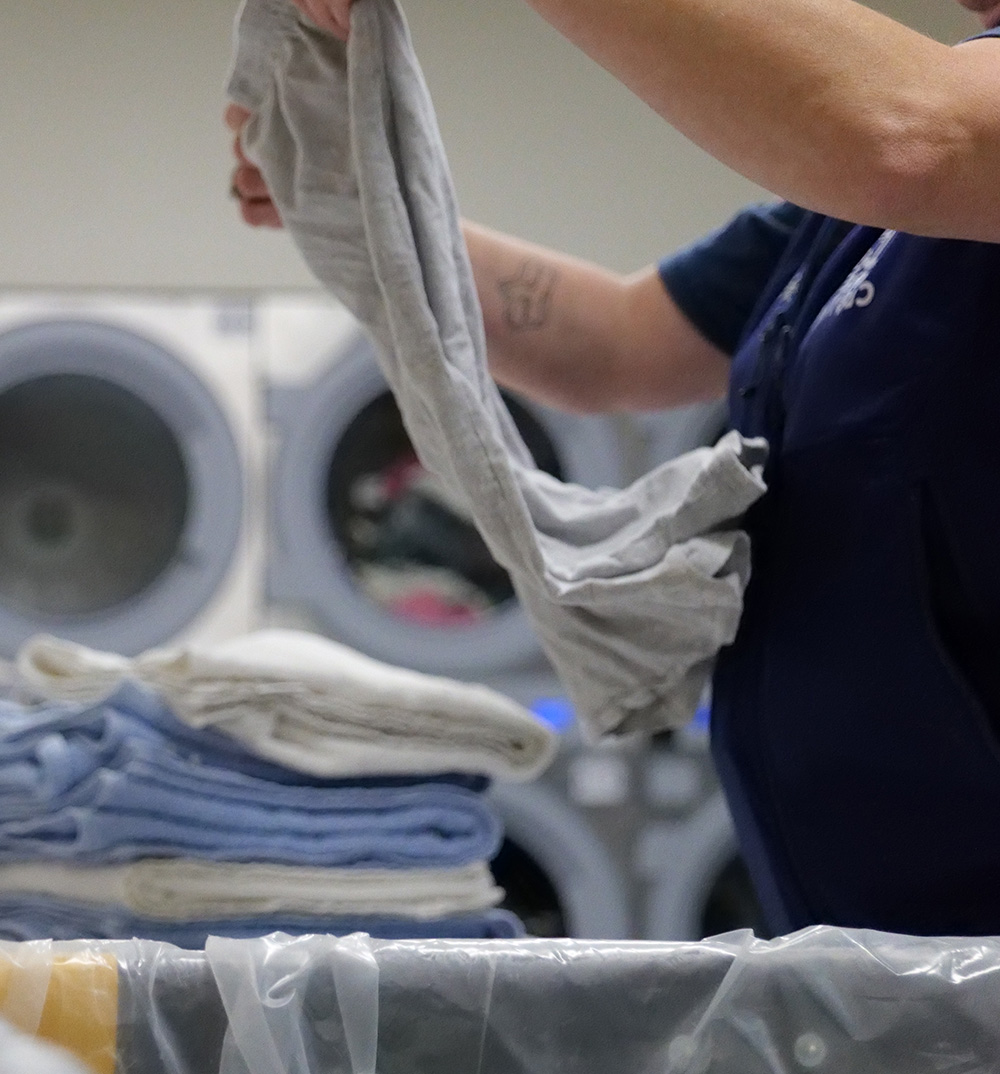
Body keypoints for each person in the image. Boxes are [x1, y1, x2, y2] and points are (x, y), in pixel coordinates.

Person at [229, 0, 1000, 938]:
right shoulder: (854, 229)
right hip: (875, 950)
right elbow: (616, 343)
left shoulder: (942, 135)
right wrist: (357, 191)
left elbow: (910, 132)